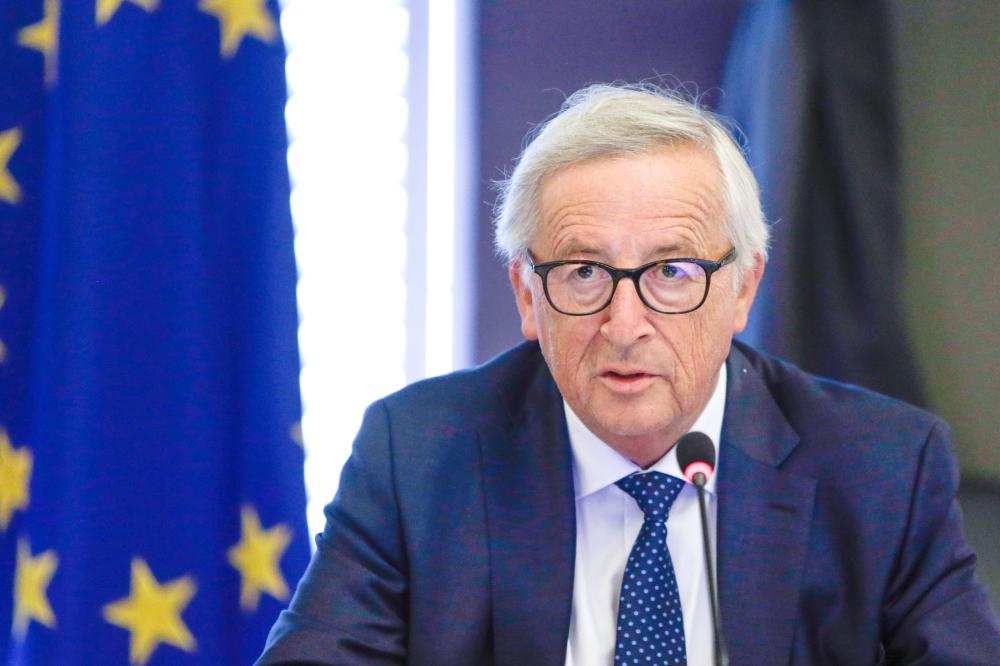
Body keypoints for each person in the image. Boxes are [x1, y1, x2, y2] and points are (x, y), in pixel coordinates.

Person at [257, 83, 1000, 665]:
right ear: (526, 294)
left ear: (742, 289)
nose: (624, 323)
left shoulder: (882, 466)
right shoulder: (416, 454)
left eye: (673, 272)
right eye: (583, 272)